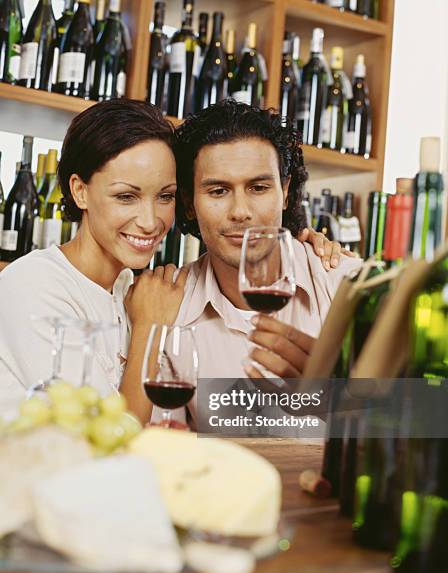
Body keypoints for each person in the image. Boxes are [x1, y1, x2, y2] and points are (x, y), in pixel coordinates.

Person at [0, 99, 338, 425]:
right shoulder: (32, 286)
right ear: (80, 191)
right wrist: (150, 328)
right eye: (126, 196)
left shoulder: (132, 289)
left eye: (164, 196)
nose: (150, 221)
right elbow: (99, 448)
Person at [173, 100, 363, 415]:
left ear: (285, 191)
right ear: (189, 203)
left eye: (258, 188)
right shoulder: (170, 310)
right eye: (218, 191)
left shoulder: (349, 287)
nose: (240, 212)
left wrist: (337, 401)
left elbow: (426, 423)